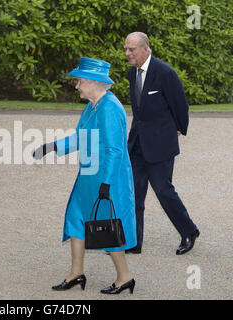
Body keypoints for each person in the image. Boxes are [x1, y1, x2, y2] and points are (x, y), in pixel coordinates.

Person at [33, 57, 137, 294]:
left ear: (93, 82)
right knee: (76, 218)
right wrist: (51, 147)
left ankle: (125, 277)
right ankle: (76, 273)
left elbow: (115, 150)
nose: (77, 85)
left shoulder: (110, 108)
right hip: (89, 175)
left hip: (107, 179)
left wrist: (107, 184)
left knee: (109, 226)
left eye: (80, 81)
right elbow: (80, 138)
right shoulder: (92, 106)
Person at [124, 32, 200, 255]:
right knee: (134, 194)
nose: (127, 53)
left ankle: (189, 231)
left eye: (132, 49)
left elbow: (180, 105)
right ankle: (133, 242)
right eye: (126, 49)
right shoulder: (132, 73)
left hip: (160, 145)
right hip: (137, 144)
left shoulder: (165, 72)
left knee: (164, 191)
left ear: (145, 49)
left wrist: (179, 128)